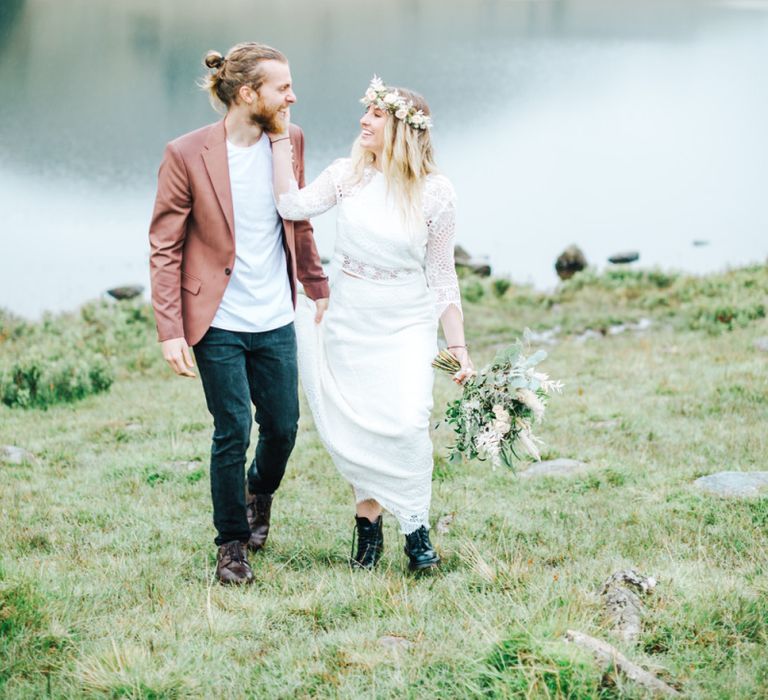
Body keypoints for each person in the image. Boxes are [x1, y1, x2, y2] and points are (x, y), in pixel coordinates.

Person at [271, 75, 473, 572]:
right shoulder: (347, 176)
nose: (364, 120)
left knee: (406, 421)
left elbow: (442, 274)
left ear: (404, 127)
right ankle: (368, 531)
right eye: (366, 112)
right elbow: (290, 205)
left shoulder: (436, 193)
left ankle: (416, 530)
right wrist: (278, 137)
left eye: (376, 114)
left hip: (406, 323)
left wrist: (459, 349)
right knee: (361, 423)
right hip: (350, 319)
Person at [148, 42, 329, 585]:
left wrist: (316, 281)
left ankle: (259, 495)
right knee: (231, 428)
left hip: (275, 316)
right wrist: (170, 329)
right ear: (248, 94)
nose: (292, 96)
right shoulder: (185, 154)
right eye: (282, 87)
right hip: (217, 320)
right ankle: (231, 545)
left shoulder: (290, 140)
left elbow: (297, 219)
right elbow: (165, 245)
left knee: (283, 426)